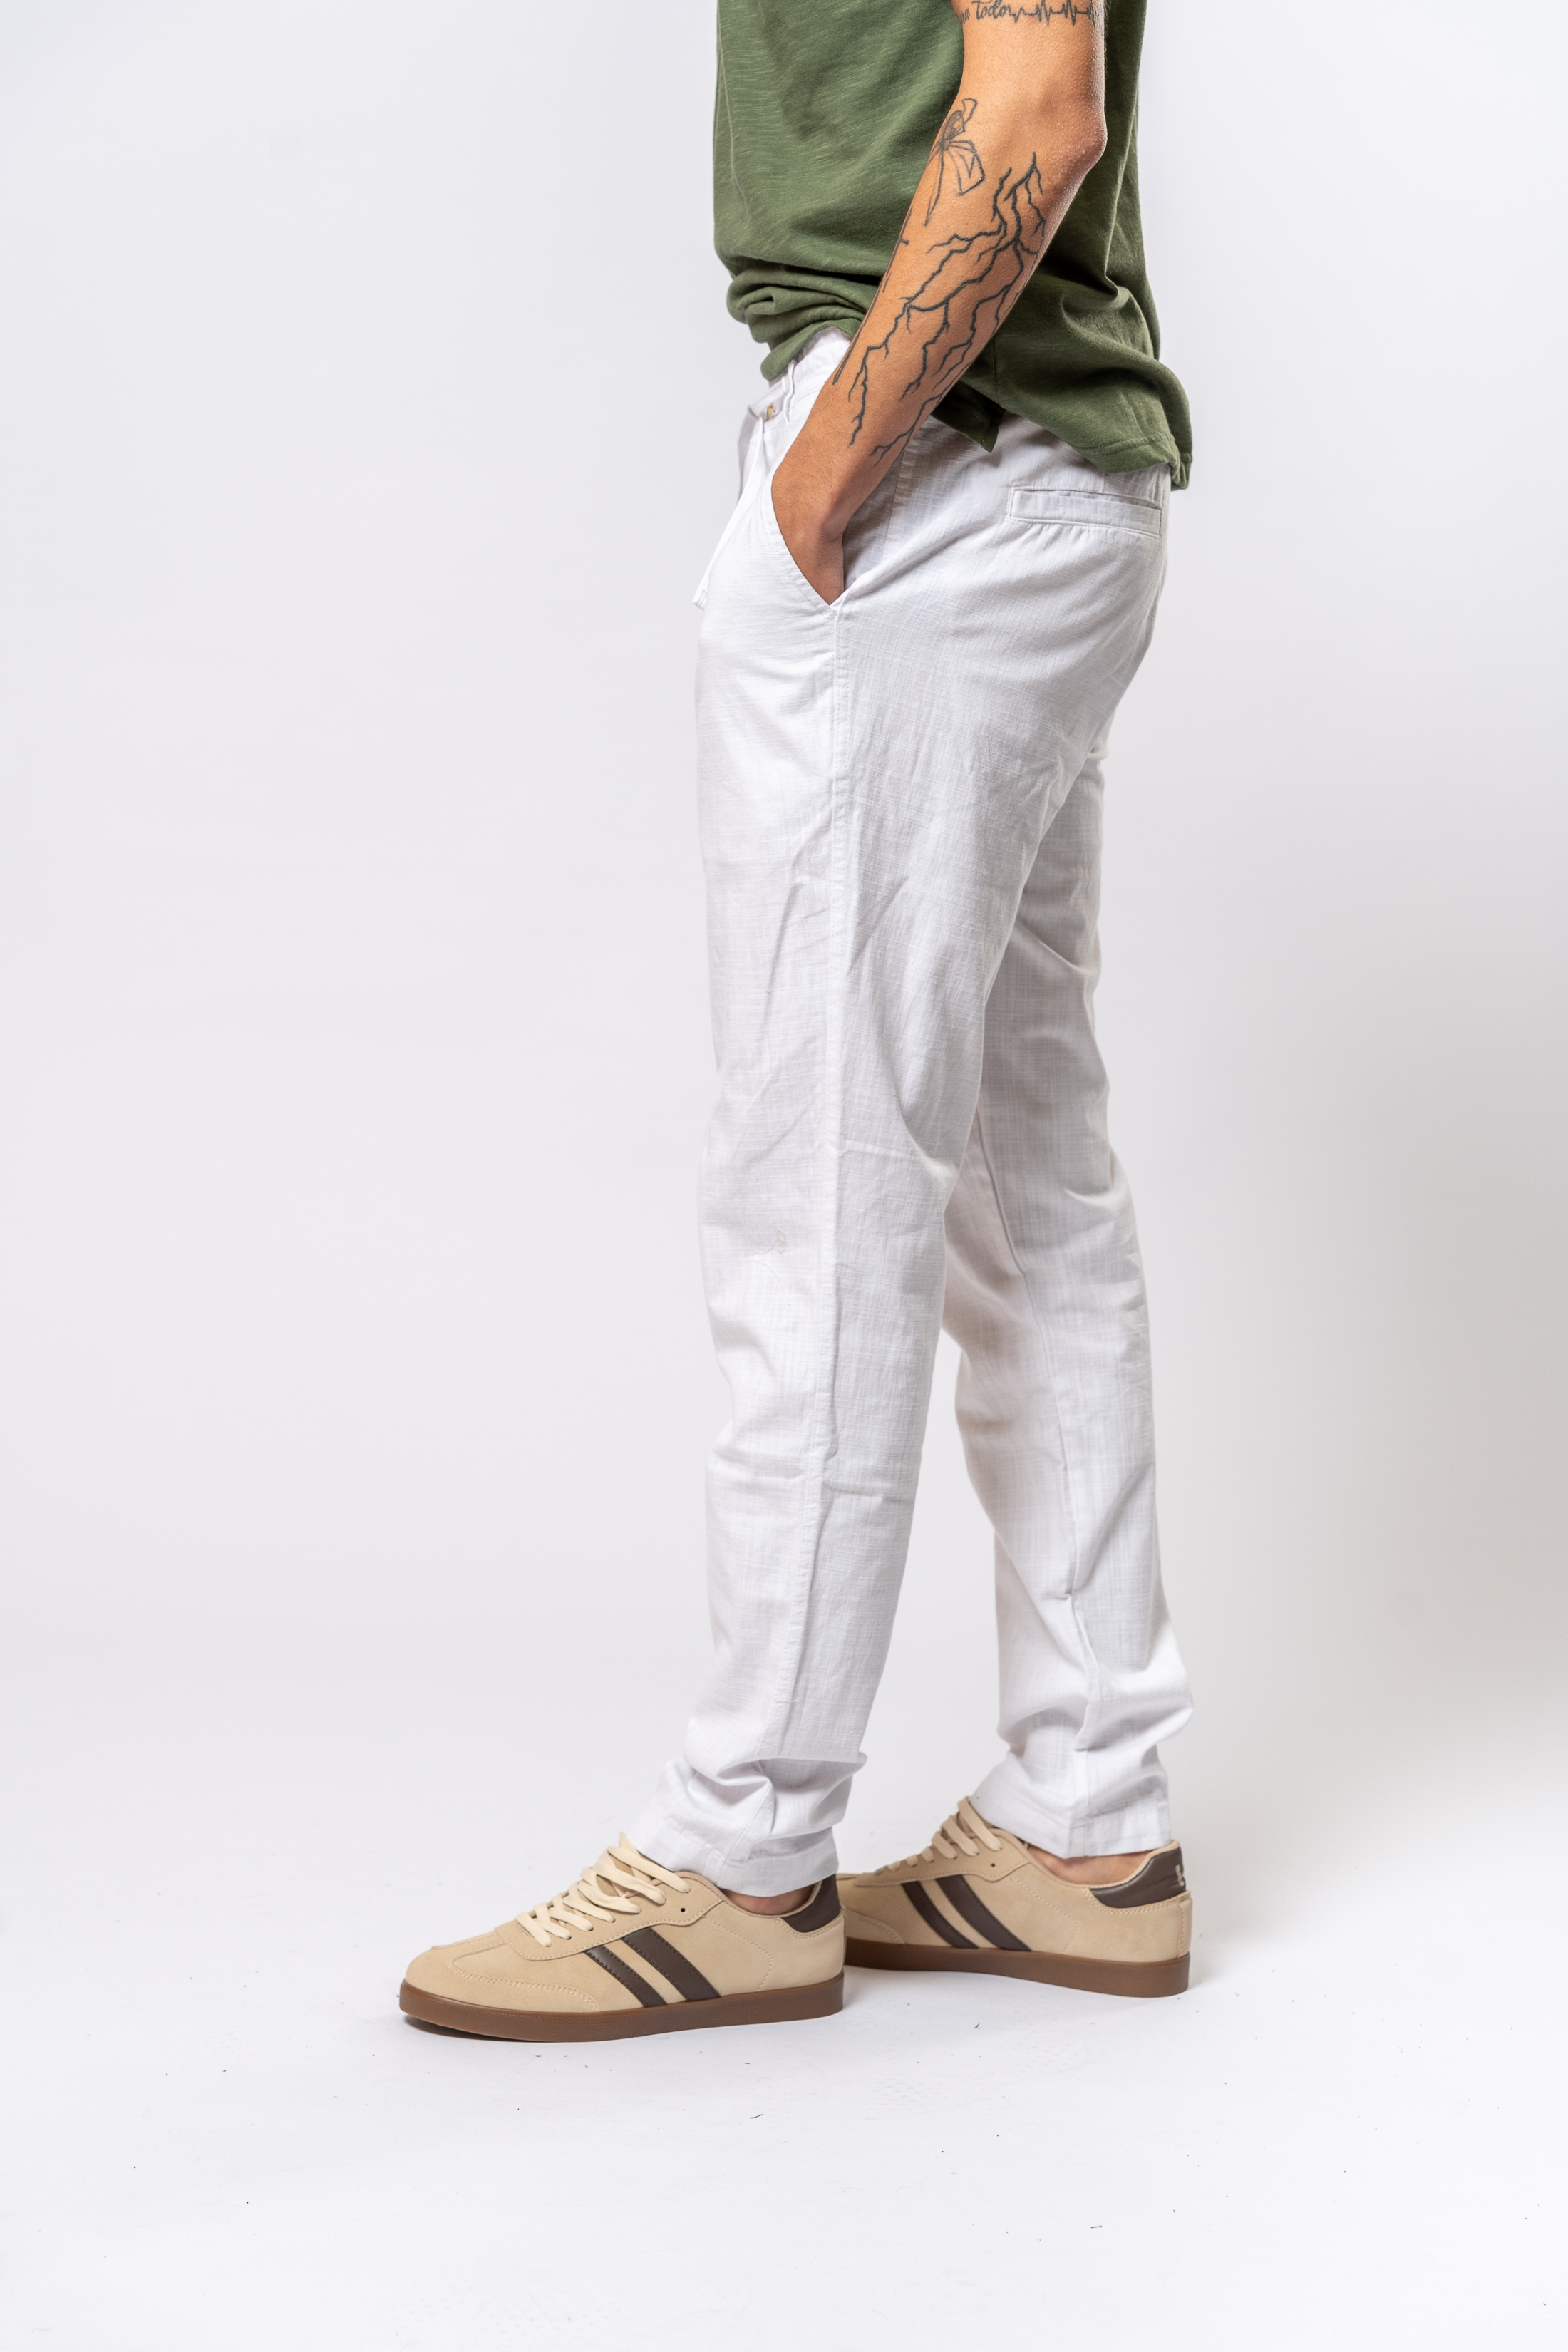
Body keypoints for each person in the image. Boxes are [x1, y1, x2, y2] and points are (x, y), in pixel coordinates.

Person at [401, 0, 1195, 2041]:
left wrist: (818, 492)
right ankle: (1087, 1820)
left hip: (933, 471)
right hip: (1026, 463)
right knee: (1023, 1184)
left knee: (817, 1187)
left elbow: (1036, 102)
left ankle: (747, 1849)